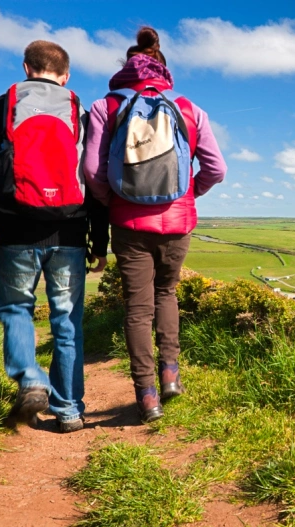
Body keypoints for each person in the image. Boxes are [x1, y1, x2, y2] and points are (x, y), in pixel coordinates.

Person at [84, 27, 226, 423]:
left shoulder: (106, 107)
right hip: (178, 223)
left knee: (137, 309)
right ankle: (171, 375)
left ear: (127, 69)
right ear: (163, 70)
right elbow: (216, 168)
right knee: (167, 294)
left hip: (128, 224)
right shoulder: (188, 108)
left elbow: (93, 172)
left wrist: (115, 201)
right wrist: (188, 194)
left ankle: (146, 396)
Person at [0, 40, 109, 433]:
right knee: (68, 321)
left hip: (15, 230)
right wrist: (100, 243)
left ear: (27, 68)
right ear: (65, 76)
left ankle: (30, 377)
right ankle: (68, 411)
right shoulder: (80, 109)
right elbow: (95, 180)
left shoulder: (3, 106)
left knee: (15, 309)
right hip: (69, 231)